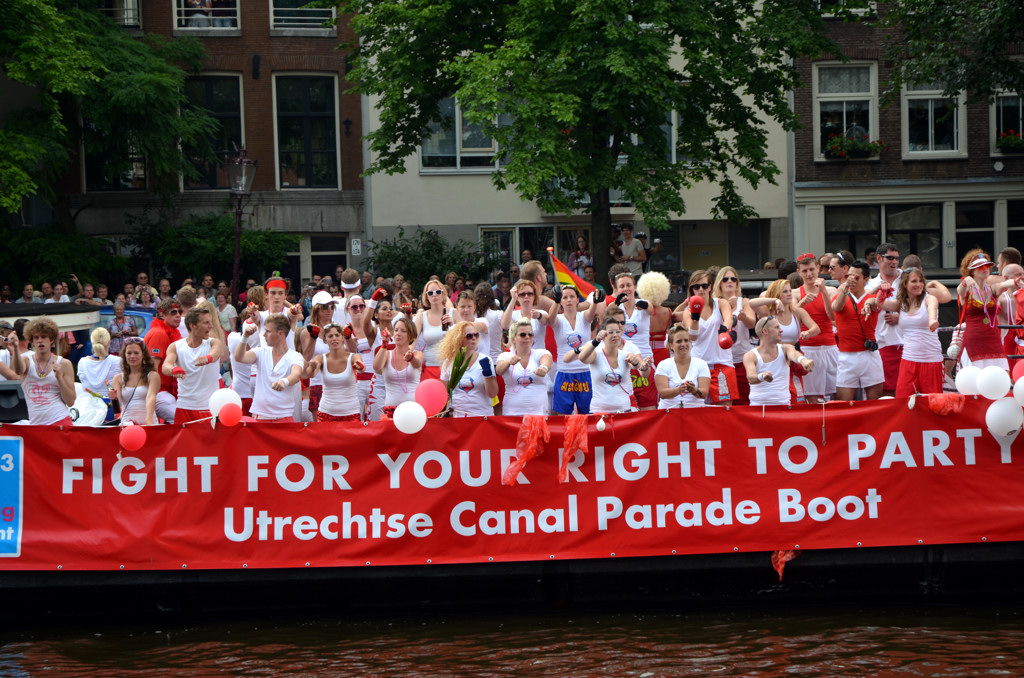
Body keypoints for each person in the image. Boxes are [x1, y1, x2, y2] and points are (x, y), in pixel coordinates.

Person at [878, 268, 944, 396]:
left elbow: (932, 308)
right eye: (914, 281)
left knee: (932, 402)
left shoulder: (929, 298)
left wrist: (932, 320)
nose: (918, 284)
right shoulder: (902, 303)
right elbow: (880, 304)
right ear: (905, 285)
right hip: (908, 359)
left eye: (920, 281)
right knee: (904, 400)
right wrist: (882, 291)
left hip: (931, 361)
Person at [673, 270, 735, 406]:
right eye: (697, 287)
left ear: (711, 286)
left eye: (704, 286)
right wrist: (695, 316)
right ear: (692, 290)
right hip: (699, 365)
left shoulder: (721, 303)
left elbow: (729, 318)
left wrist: (725, 331)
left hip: (722, 363)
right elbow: (693, 337)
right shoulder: (688, 312)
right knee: (699, 410)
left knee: (725, 411)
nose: (701, 289)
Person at [956, 250, 1022, 371]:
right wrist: (965, 280)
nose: (985, 268)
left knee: (1000, 375)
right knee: (973, 380)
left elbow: (1004, 284)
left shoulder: (992, 290)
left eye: (987, 265)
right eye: (980, 266)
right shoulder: (967, 291)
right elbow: (960, 290)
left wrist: (1014, 281)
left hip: (993, 339)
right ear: (972, 271)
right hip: (974, 340)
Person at [235, 313, 305, 422]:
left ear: (280, 333)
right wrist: (245, 337)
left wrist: (284, 381)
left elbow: (296, 375)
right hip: (260, 416)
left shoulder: (295, 356)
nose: (264, 335)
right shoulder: (260, 352)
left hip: (284, 417)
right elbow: (240, 357)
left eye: (268, 331)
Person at [832, 260, 885, 401]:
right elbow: (837, 307)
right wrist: (845, 288)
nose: (852, 281)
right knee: (844, 402)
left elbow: (876, 303)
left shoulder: (872, 299)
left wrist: (869, 303)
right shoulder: (840, 297)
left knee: (874, 401)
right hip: (846, 355)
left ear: (866, 280)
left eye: (856, 278)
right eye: (849, 276)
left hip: (869, 354)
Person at [8, 317, 76, 425]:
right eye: (36, 337)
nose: (40, 340)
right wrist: (15, 348)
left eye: (44, 337)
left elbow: (70, 401)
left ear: (51, 340)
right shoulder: (26, 360)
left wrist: (59, 378)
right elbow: (18, 370)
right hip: (36, 426)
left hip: (60, 422)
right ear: (32, 341)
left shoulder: (64, 364)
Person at [162, 306, 224, 424]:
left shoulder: (213, 342)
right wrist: (173, 369)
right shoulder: (175, 346)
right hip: (184, 407)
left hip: (208, 407)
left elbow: (215, 353)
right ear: (193, 325)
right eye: (206, 323)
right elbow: (166, 366)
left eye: (210, 322)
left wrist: (208, 358)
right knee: (184, 443)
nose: (211, 326)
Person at [551, 283, 603, 415]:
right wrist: (555, 302)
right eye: (565, 297)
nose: (568, 300)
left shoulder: (583, 317)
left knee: (588, 414)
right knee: (563, 417)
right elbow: (551, 319)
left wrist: (595, 302)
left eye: (572, 296)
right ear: (561, 301)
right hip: (564, 372)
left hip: (585, 372)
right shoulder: (559, 320)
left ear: (577, 300)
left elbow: (592, 312)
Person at [578, 316, 645, 413]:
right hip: (599, 411)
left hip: (623, 410)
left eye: (617, 332)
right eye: (611, 332)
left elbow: (639, 368)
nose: (615, 335)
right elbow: (582, 358)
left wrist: (638, 363)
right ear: (603, 334)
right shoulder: (596, 354)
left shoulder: (626, 355)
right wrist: (596, 341)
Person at [610, 270, 658, 409]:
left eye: (628, 285)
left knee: (648, 408)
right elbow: (607, 316)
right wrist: (616, 302)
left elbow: (650, 309)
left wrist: (643, 305)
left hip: (645, 362)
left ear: (635, 287)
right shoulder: (615, 307)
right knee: (625, 410)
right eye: (622, 286)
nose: (626, 289)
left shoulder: (642, 304)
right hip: (623, 364)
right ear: (617, 289)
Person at [744, 316, 815, 407]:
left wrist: (803, 360)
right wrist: (762, 376)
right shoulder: (750, 355)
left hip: (783, 406)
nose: (781, 330)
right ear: (765, 331)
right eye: (777, 327)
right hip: (759, 406)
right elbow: (750, 377)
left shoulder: (786, 348)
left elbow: (794, 354)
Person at [305, 323, 364, 423]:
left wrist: (360, 366)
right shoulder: (320, 358)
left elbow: (361, 367)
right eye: (330, 336)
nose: (334, 338)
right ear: (325, 340)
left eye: (337, 335)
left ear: (342, 338)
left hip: (351, 413)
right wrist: (312, 366)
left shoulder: (353, 357)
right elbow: (311, 374)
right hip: (326, 414)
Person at [439, 321, 498, 417]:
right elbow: (443, 393)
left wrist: (488, 375)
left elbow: (492, 394)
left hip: (482, 417)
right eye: (469, 336)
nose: (474, 338)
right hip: (457, 417)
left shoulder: (485, 360)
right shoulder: (448, 363)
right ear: (458, 338)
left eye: (476, 335)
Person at [497, 318, 553, 416]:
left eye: (530, 334)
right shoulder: (505, 356)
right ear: (513, 339)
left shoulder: (541, 353)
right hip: (512, 414)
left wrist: (543, 368)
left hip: (538, 414)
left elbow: (546, 360)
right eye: (523, 334)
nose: (527, 337)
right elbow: (499, 370)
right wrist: (509, 362)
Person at [373, 316, 423, 419]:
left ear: (411, 335)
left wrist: (411, 358)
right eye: (396, 330)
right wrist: (384, 344)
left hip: (412, 409)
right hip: (390, 410)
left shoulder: (417, 353)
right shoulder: (387, 354)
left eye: (403, 331)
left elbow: (417, 364)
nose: (398, 334)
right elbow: (376, 366)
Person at [144, 298, 183, 423]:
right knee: (181, 421)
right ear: (162, 314)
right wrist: (151, 398)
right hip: (157, 393)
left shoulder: (169, 332)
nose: (178, 315)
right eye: (173, 312)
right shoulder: (159, 334)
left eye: (179, 312)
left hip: (162, 391)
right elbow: (152, 369)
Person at [299, 291, 337, 419]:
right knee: (319, 424)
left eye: (332, 307)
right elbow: (306, 358)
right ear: (316, 309)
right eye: (325, 307)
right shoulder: (306, 332)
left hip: (336, 381)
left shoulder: (338, 330)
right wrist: (314, 337)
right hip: (317, 382)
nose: (329, 310)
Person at [654, 325, 711, 409]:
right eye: (679, 341)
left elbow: (704, 393)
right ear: (671, 346)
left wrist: (694, 390)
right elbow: (662, 394)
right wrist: (679, 389)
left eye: (686, 340)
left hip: (695, 414)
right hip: (668, 415)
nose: (683, 344)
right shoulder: (663, 365)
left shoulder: (701, 364)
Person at [110, 337, 159, 425]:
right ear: (124, 355)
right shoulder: (117, 378)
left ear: (143, 354)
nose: (132, 356)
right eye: (129, 353)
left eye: (136, 353)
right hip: (127, 424)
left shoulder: (152, 375)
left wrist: (149, 419)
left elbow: (151, 397)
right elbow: (118, 407)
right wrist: (113, 398)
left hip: (148, 423)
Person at [77, 328, 121, 421]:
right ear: (109, 342)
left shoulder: (82, 362)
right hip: (110, 409)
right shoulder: (117, 361)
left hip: (86, 409)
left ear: (92, 343)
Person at [415, 279, 454, 381]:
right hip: (430, 368)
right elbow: (411, 341)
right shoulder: (421, 316)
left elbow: (465, 338)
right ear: (426, 296)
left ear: (443, 293)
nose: (434, 295)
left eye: (438, 292)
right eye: (430, 293)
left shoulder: (453, 313)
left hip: (451, 368)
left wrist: (453, 325)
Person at [227, 307, 255, 416]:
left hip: (238, 392)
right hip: (256, 393)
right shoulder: (265, 340)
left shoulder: (232, 337)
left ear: (242, 321)